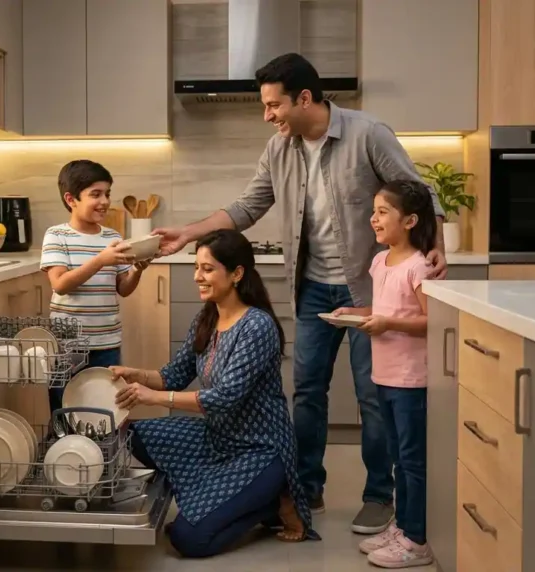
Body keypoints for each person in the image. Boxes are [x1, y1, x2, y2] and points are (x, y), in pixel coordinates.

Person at [152, 52, 447, 534]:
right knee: (308, 390)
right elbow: (247, 207)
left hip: (367, 288)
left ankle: (378, 495)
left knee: (373, 395)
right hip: (311, 287)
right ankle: (306, 486)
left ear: (304, 98)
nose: (267, 115)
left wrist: (437, 245)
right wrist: (188, 232)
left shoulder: (368, 134)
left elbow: (419, 192)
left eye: (273, 105)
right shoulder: (278, 149)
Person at [110, 229, 315, 559]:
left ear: (236, 274)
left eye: (207, 269)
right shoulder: (207, 317)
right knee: (129, 432)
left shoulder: (257, 326)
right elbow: (174, 375)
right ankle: (214, 494)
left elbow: (224, 398)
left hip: (259, 449)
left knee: (187, 539)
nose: (197, 277)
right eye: (196, 268)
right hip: (216, 437)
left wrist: (153, 397)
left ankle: (273, 503)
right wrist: (137, 375)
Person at [332, 180, 436, 568]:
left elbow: (432, 320)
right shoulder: (380, 261)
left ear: (410, 221)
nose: (373, 219)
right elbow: (381, 310)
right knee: (397, 458)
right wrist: (352, 313)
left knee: (412, 461)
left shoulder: (420, 266)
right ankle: (402, 526)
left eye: (382, 212)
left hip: (412, 380)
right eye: (373, 211)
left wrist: (388, 324)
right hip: (385, 375)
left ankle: (417, 540)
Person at [40, 159, 147, 411]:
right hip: (68, 345)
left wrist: (137, 270)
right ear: (71, 199)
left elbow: (123, 288)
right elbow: (60, 284)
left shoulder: (113, 237)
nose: (105, 201)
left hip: (107, 343)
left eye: (107, 194)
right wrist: (100, 260)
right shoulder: (57, 235)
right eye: (95, 194)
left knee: (106, 412)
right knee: (65, 412)